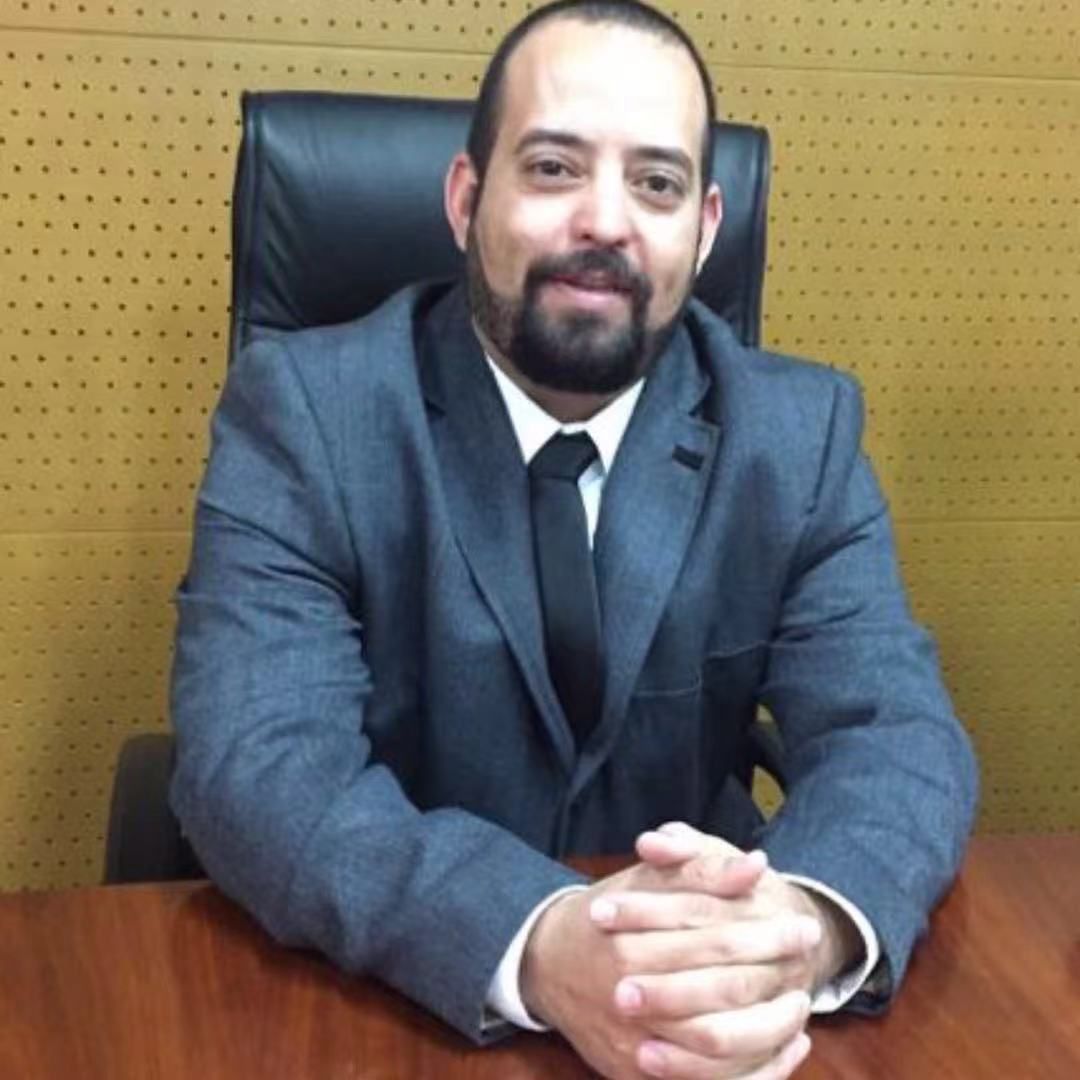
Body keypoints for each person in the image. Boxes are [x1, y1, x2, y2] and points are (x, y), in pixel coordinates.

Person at [170, 2, 978, 1077]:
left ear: (706, 228)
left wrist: (799, 926)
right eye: (553, 168)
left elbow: (897, 736)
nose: (606, 221)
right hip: (393, 1014)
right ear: (467, 199)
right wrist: (541, 940)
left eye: (657, 183)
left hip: (707, 1027)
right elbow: (258, 764)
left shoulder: (800, 435)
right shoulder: (307, 414)